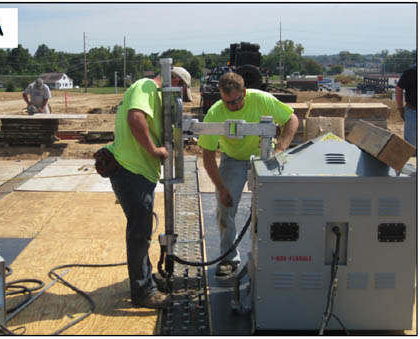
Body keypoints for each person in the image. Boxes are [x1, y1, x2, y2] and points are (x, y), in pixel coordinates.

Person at [105, 67, 193, 308]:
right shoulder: (144, 87)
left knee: (141, 230)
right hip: (131, 170)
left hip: (139, 170)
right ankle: (143, 292)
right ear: (174, 81)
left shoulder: (153, 94)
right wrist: (154, 150)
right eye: (180, 95)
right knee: (139, 233)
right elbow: (135, 117)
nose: (179, 103)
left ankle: (144, 278)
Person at [198, 72, 298, 277]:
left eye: (236, 101)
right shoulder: (215, 113)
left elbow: (292, 119)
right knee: (224, 209)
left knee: (270, 208)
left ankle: (271, 255)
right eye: (227, 103)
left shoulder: (262, 100)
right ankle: (229, 258)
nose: (232, 107)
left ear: (244, 92)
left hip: (264, 156)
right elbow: (208, 157)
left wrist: (280, 148)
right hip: (233, 159)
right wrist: (222, 188)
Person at [396, 66, 417, 147]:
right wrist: (400, 108)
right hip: (413, 112)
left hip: (413, 112)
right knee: (410, 147)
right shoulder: (411, 72)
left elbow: (398, 89)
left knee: (410, 146)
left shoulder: (410, 72)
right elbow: (399, 89)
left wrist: (400, 108)